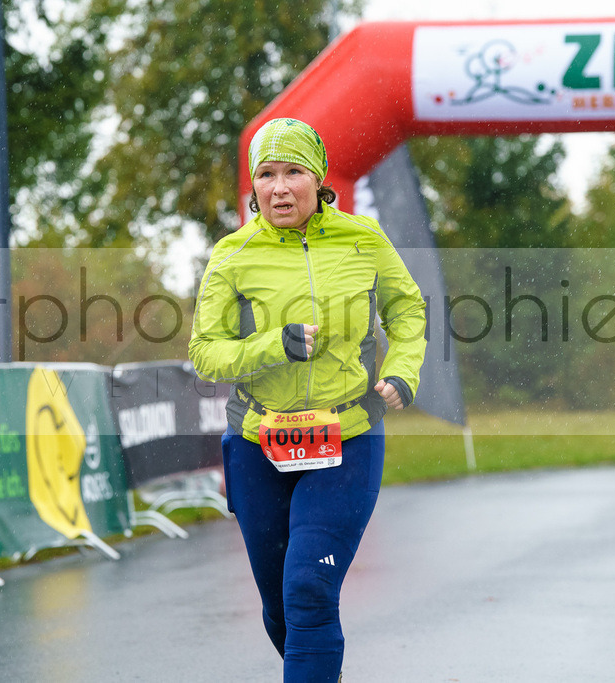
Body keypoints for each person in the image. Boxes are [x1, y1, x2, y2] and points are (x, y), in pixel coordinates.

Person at [189, 118, 427, 682]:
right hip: (257, 444)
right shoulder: (232, 254)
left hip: (346, 438)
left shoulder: (361, 238)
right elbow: (206, 352)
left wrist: (403, 371)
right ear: (253, 185)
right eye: (266, 175)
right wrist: (275, 345)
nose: (278, 188)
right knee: (281, 609)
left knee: (309, 588)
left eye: (293, 172)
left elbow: (408, 312)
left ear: (319, 179)